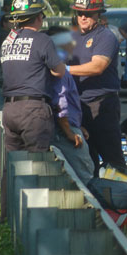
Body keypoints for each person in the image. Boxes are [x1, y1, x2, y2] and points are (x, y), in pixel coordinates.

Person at [0, 0, 65, 221]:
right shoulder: (42, 40)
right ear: (38, 17)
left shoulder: (7, 42)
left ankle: (6, 216)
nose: (43, 19)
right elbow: (58, 71)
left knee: (12, 167)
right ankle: (38, 221)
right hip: (33, 111)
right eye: (42, 15)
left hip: (10, 109)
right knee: (38, 166)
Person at [67, 0, 125, 174]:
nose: (83, 17)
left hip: (102, 105)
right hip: (79, 107)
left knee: (112, 160)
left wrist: (65, 70)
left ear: (98, 14)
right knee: (86, 162)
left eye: (88, 13)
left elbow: (97, 66)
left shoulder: (105, 36)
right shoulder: (73, 38)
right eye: (80, 13)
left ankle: (124, 198)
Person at [47, 26, 95, 184]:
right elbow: (59, 102)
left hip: (68, 126)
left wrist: (77, 126)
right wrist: (69, 131)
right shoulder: (57, 69)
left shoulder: (57, 66)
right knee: (85, 174)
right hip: (63, 132)